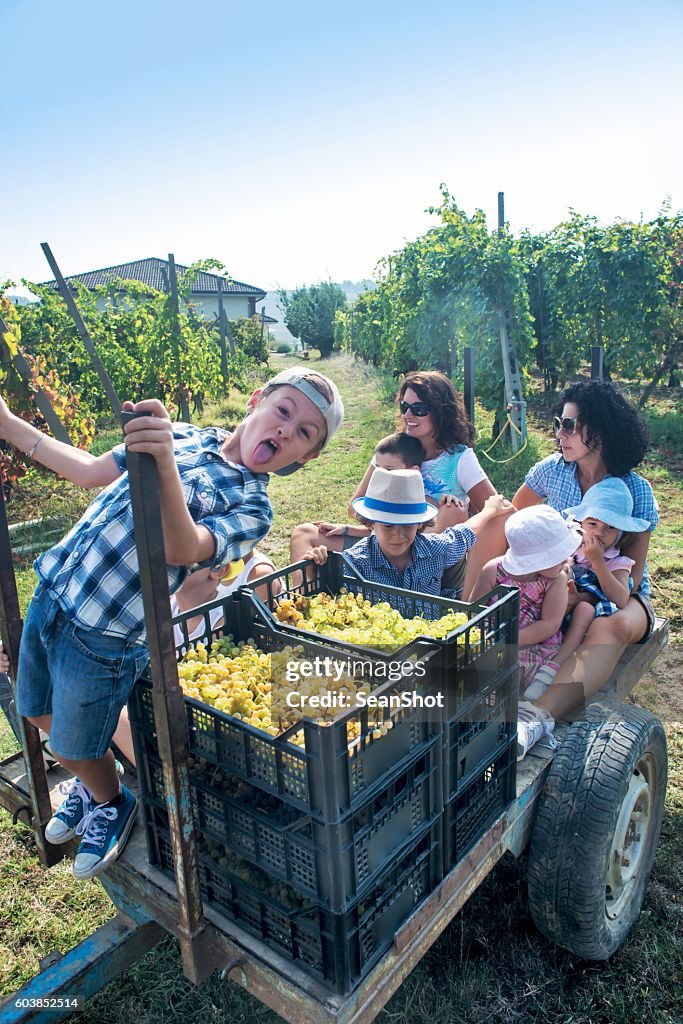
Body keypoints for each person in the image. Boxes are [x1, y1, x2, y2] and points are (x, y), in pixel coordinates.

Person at [0, 365, 343, 879]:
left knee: (73, 746)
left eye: (302, 434)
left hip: (108, 633)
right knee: (35, 710)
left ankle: (110, 801)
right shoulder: (183, 434)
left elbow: (184, 547)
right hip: (56, 588)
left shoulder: (253, 507)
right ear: (256, 400)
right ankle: (94, 782)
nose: (284, 431)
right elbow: (91, 471)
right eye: (284, 411)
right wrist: (8, 424)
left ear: (306, 457)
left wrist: (161, 462)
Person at [510, 379, 658, 757]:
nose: (560, 433)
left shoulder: (634, 489)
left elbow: (636, 574)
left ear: (602, 432)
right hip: (561, 581)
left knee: (615, 624)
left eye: (570, 425)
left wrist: (584, 591)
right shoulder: (552, 471)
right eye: (560, 423)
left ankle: (537, 717)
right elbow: (514, 522)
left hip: (617, 587)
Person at [291, 371, 497, 596]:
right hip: (380, 542)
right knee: (304, 534)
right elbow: (355, 506)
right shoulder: (393, 449)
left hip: (431, 552)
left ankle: (411, 592)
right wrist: (356, 529)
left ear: (440, 412)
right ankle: (307, 603)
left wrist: (451, 510)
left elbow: (495, 508)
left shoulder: (458, 458)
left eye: (419, 409)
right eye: (404, 407)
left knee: (451, 513)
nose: (409, 414)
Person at [303, 467, 511, 599]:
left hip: (434, 646)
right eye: (388, 526)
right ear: (371, 524)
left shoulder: (436, 549)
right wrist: (317, 569)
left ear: (420, 524)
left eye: (407, 526)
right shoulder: (355, 562)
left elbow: (464, 533)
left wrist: (489, 511)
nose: (398, 535)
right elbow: (329, 596)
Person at [470, 506, 582, 702]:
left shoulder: (555, 580)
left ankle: (506, 704)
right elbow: (474, 608)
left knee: (515, 670)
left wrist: (511, 639)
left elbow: (550, 624)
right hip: (492, 636)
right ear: (537, 560)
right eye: (558, 556)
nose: (566, 560)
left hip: (532, 642)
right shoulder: (494, 570)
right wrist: (486, 635)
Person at [557, 476, 650, 666]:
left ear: (621, 532)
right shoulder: (569, 543)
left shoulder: (617, 562)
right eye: (593, 524)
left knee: (584, 609)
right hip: (555, 608)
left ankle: (559, 662)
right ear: (581, 522)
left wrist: (598, 561)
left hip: (583, 623)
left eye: (611, 527)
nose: (600, 532)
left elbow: (621, 598)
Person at [306, 430, 426, 549]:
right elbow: (375, 527)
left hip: (383, 552)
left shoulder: (414, 500)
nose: (381, 475)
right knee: (304, 532)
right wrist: (346, 529)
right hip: (372, 542)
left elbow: (396, 535)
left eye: (389, 469)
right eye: (378, 469)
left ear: (412, 471)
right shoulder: (381, 493)